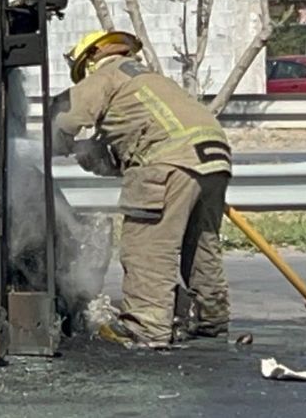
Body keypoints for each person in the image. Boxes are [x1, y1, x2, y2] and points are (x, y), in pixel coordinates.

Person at [51, 30, 232, 348]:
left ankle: (146, 329)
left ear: (92, 58)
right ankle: (211, 320)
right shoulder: (148, 81)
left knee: (146, 247)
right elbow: (129, 151)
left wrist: (46, 143)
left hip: (168, 161)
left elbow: (66, 117)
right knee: (201, 244)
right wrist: (89, 155)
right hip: (213, 157)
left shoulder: (108, 74)